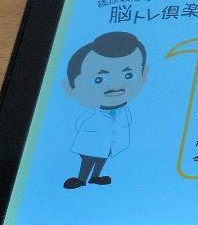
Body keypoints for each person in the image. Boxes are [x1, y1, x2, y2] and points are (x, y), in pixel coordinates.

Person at [61, 31, 149, 189]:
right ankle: (81, 179)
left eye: (128, 75)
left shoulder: (124, 111)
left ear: (144, 74)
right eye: (98, 79)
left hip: (108, 144)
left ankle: (95, 177)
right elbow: (79, 124)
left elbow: (126, 124)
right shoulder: (93, 111)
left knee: (102, 158)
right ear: (72, 85)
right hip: (90, 143)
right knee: (88, 160)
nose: (116, 85)